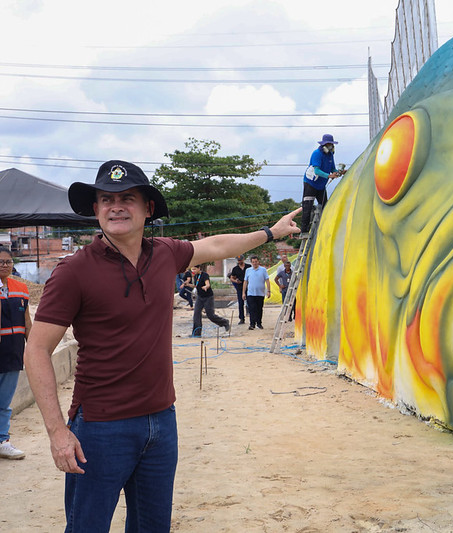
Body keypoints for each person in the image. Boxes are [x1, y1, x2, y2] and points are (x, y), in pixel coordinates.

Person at [23, 160, 301, 532]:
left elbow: (216, 245)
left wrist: (270, 232)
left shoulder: (164, 253)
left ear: (147, 208)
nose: (115, 206)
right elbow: (37, 350)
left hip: (161, 424)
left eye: (127, 198)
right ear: (96, 209)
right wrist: (58, 432)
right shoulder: (74, 271)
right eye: (106, 199)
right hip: (101, 429)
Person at [0, 246, 31, 460]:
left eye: (8, 261)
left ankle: (3, 440)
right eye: (1, 261)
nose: (5, 265)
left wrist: (35, 349)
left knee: (4, 402)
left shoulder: (21, 288)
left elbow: (27, 322)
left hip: (12, 353)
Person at [300, 133, 344, 234]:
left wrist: (337, 172)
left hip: (321, 185)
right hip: (310, 183)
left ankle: (326, 227)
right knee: (307, 207)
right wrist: (329, 176)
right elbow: (317, 171)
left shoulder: (330, 155)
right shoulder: (317, 154)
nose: (331, 146)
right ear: (324, 145)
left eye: (332, 145)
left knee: (325, 206)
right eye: (329, 144)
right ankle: (304, 231)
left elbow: (332, 168)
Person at [186, 264, 229, 337]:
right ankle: (197, 333)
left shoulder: (205, 275)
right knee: (196, 314)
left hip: (208, 297)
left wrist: (206, 287)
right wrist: (188, 284)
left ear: (199, 268)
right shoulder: (195, 276)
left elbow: (208, 284)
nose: (193, 271)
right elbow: (196, 285)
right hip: (200, 297)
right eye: (192, 269)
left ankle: (224, 322)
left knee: (210, 315)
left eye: (194, 269)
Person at [242, 255, 270, 330]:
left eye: (256, 262)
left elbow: (267, 280)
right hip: (251, 293)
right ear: (251, 262)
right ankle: (252, 324)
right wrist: (243, 293)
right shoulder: (248, 270)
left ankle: (259, 323)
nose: (255, 263)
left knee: (259, 309)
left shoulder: (263, 270)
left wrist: (268, 291)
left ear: (258, 262)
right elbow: (245, 282)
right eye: (253, 262)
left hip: (260, 293)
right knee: (252, 309)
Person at [228, 255, 250, 324]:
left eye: (241, 260)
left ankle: (251, 317)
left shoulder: (248, 267)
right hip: (240, 287)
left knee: (250, 302)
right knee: (241, 303)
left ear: (243, 259)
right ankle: (241, 318)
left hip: (249, 287)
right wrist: (236, 281)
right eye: (238, 260)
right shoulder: (235, 269)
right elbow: (232, 277)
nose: (240, 261)